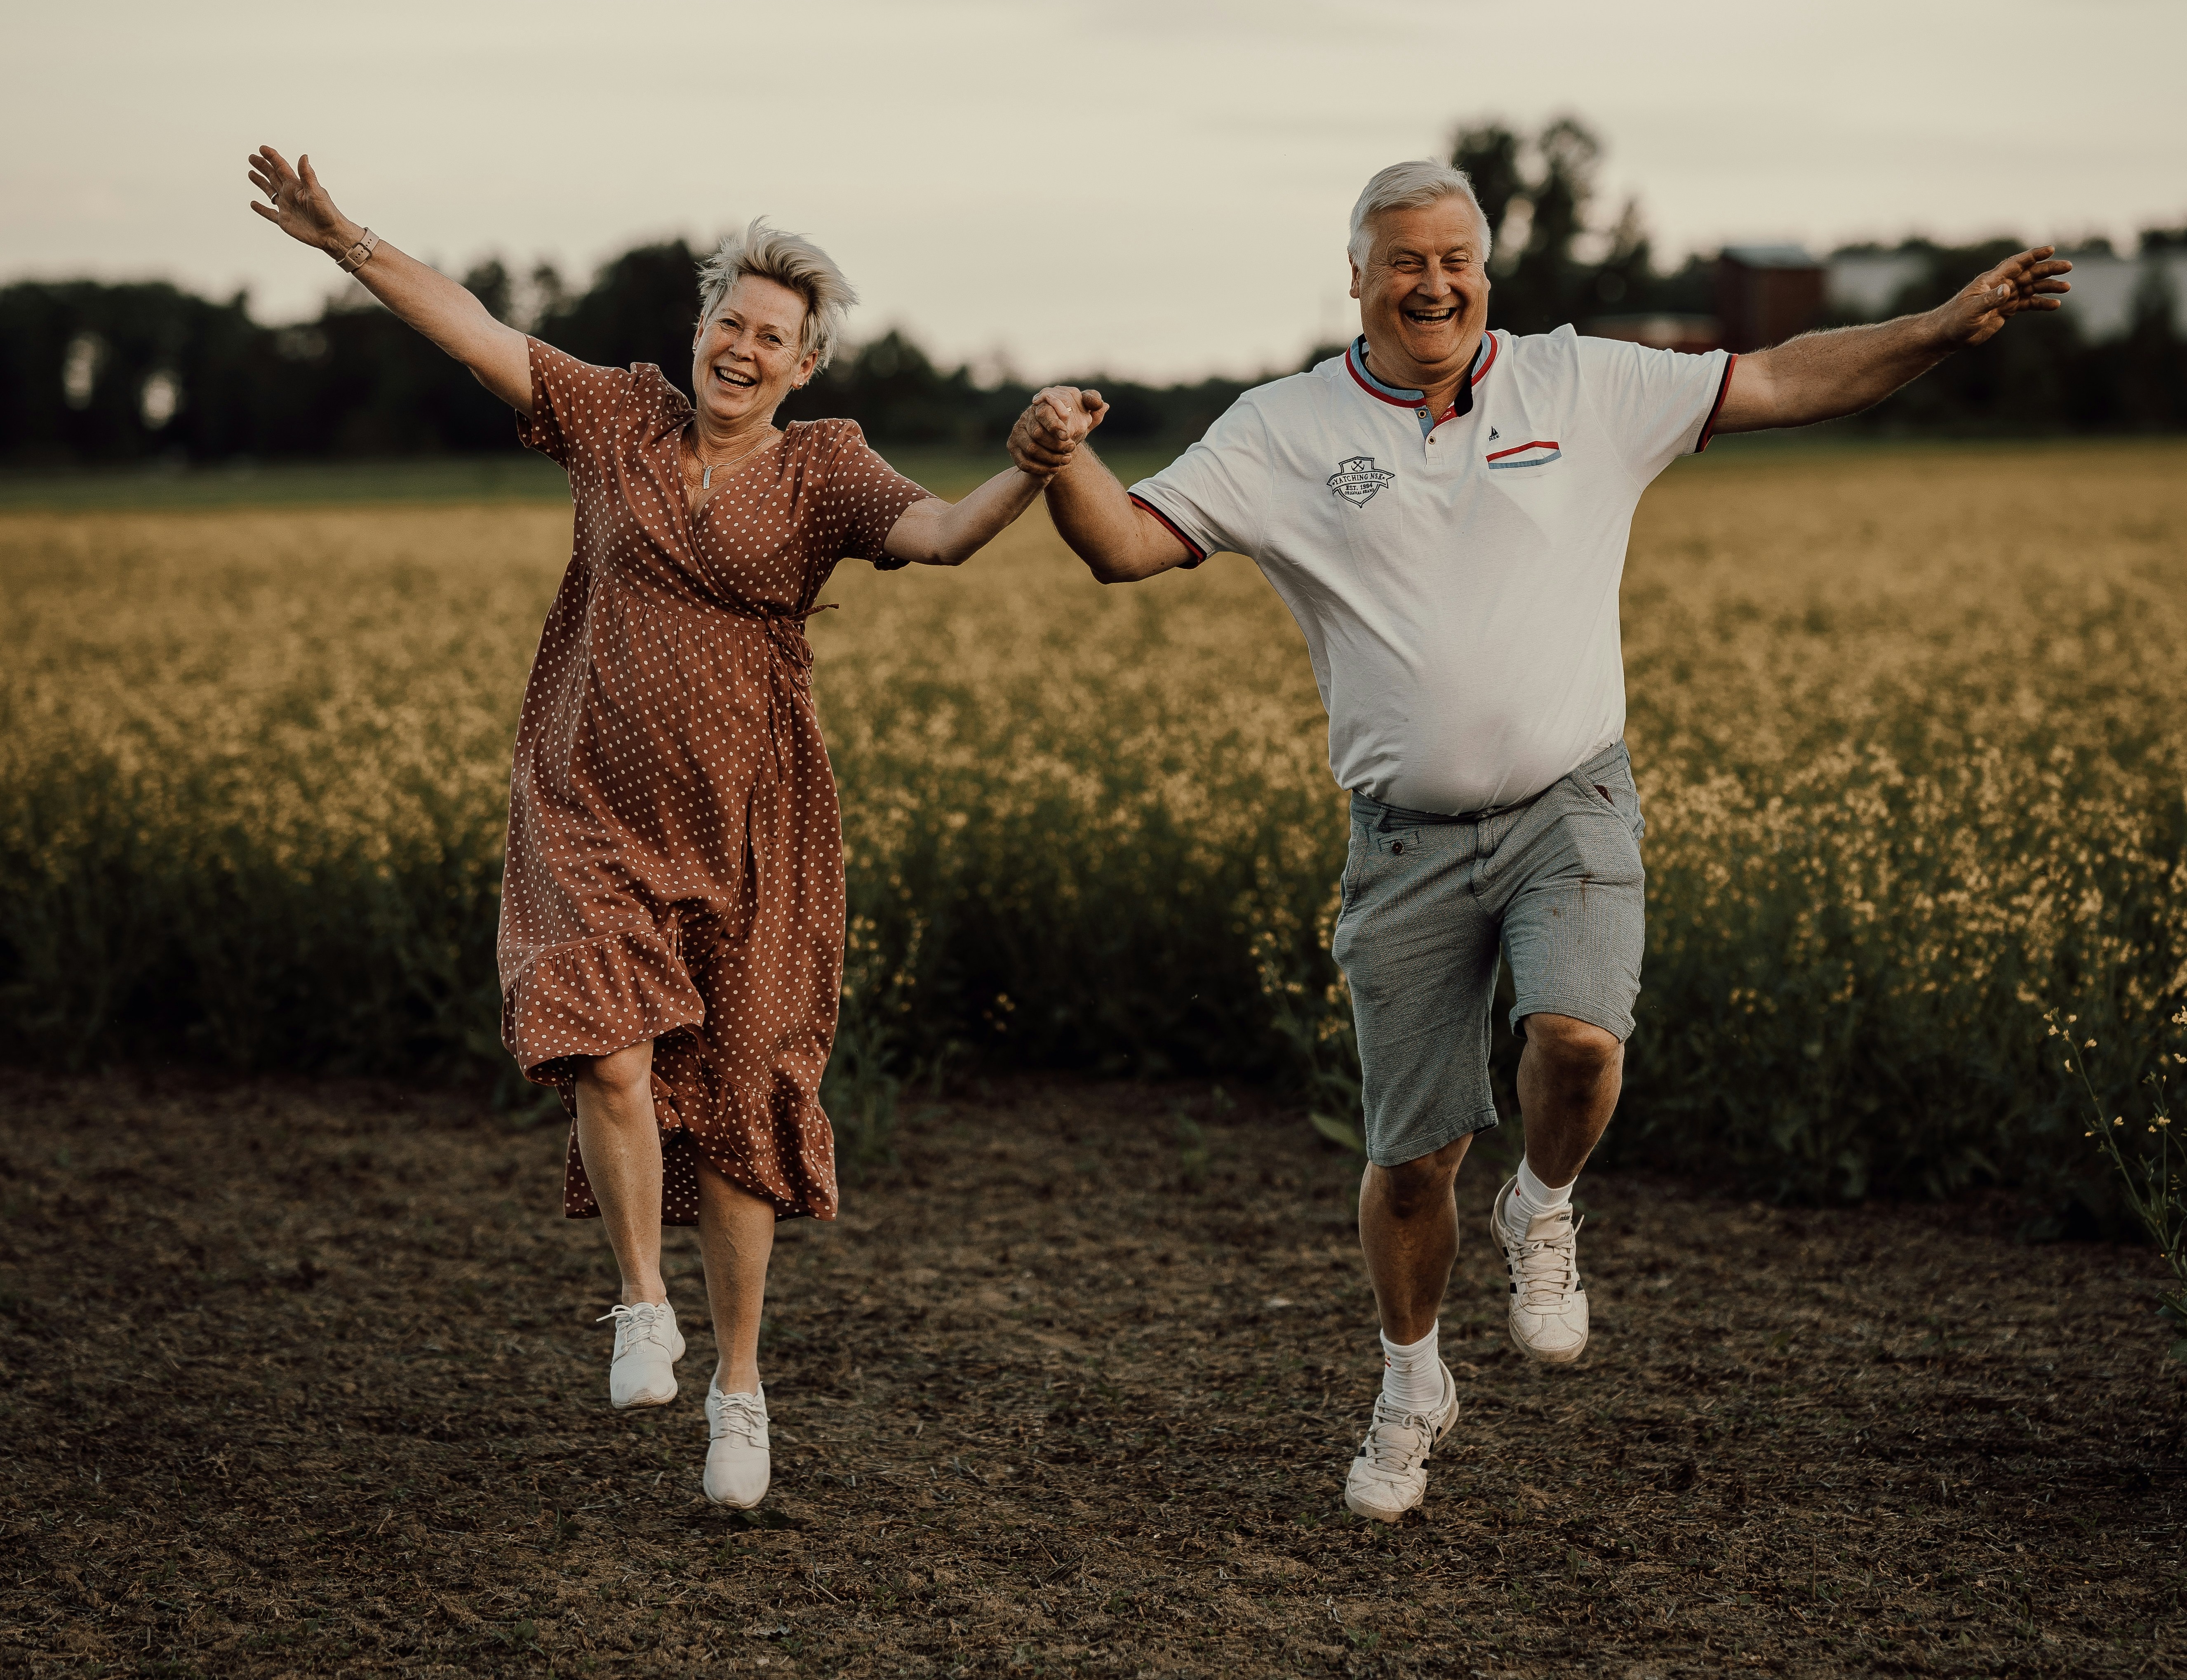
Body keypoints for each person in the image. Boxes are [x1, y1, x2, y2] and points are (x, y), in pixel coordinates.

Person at [1007, 159, 2070, 1523]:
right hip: (1403, 844)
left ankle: (1547, 1205)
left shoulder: (1581, 385)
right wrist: (1060, 463)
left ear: (1486, 275)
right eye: (1403, 259)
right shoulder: (1280, 430)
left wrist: (1934, 327)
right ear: (1356, 277)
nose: (1432, 282)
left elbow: (1791, 377)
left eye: (1456, 257)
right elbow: (1127, 547)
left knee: (1576, 1041)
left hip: (1573, 800)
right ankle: (1410, 1383)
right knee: (1412, 1162)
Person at [246, 145, 1068, 1511]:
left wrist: (1030, 471)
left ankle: (739, 1390)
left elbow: (940, 531)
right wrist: (348, 242)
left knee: (744, 1109)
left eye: (772, 337)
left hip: (753, 825)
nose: (742, 349)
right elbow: (475, 328)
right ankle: (641, 1304)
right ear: (697, 333)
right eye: (727, 323)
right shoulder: (617, 417)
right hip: (587, 801)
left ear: (806, 368)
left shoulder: (823, 471)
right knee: (606, 1047)